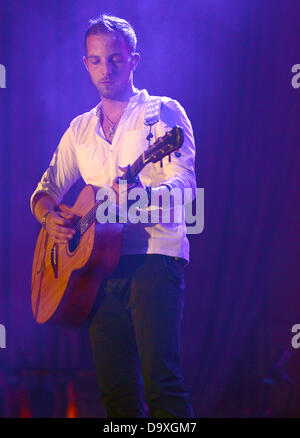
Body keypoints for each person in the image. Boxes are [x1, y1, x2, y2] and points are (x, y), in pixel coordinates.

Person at [30, 14, 196, 418]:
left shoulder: (163, 114)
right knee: (116, 397)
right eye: (97, 60)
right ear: (85, 63)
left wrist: (143, 196)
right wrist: (49, 217)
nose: (107, 69)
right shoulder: (79, 129)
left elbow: (186, 189)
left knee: (163, 387)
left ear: (133, 60)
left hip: (154, 257)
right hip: (97, 271)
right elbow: (44, 191)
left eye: (116, 59)